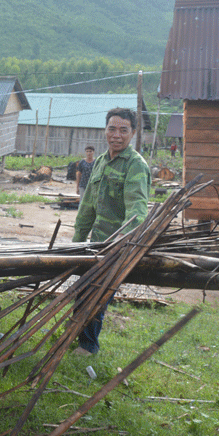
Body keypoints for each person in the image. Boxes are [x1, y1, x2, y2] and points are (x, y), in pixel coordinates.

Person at [72, 107, 150, 354]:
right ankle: (76, 338)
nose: (117, 135)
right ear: (105, 131)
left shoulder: (135, 165)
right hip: (94, 243)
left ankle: (87, 346)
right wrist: (76, 243)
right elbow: (87, 208)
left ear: (133, 133)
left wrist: (126, 246)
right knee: (82, 290)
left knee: (97, 296)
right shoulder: (101, 162)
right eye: (112, 129)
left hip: (116, 247)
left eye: (123, 130)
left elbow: (136, 210)